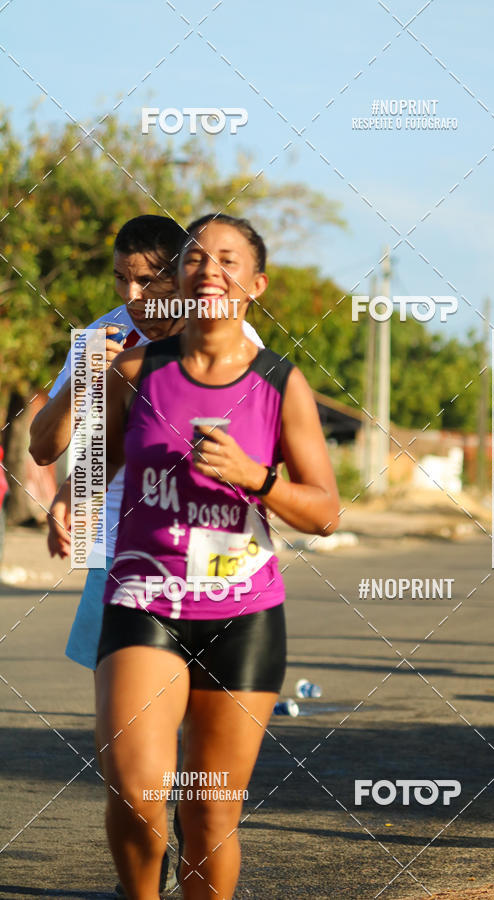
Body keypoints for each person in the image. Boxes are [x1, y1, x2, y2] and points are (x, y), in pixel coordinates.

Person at [95, 213, 339, 898]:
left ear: (254, 285)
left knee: (208, 815)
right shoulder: (136, 367)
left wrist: (255, 476)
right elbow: (98, 463)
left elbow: (324, 510)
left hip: (244, 616)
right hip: (146, 600)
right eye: (197, 259)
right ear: (178, 279)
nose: (211, 271)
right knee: (140, 790)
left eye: (229, 261)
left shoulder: (279, 383)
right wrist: (69, 499)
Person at [33, 213, 264, 896]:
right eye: (123, 280)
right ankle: (148, 851)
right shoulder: (101, 338)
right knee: (133, 737)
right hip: (121, 558)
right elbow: (43, 448)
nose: (135, 296)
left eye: (150, 279)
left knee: (199, 724)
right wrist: (84, 389)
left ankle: (195, 833)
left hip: (214, 563)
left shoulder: (231, 339)